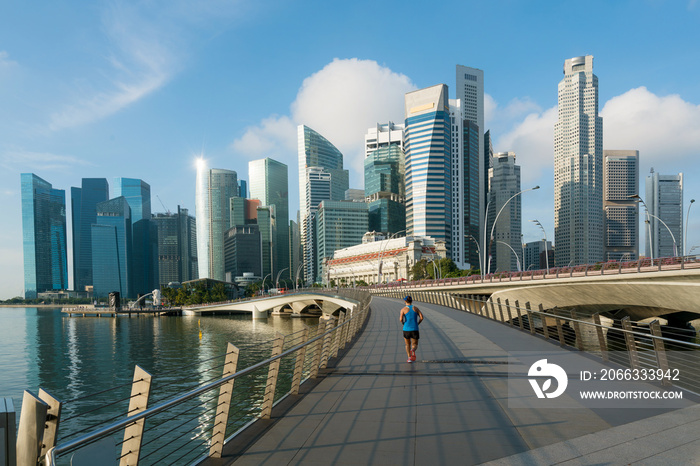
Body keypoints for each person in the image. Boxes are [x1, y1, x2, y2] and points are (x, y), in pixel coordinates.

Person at [400, 295, 423, 363]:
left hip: (406, 329)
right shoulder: (416, 308)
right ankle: (413, 350)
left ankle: (409, 358)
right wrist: (418, 323)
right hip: (415, 329)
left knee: (407, 344)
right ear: (411, 301)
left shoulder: (403, 309)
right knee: (415, 344)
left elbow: (401, 319)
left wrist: (403, 323)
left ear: (405, 301)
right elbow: (421, 317)